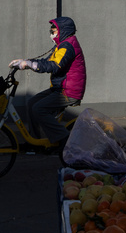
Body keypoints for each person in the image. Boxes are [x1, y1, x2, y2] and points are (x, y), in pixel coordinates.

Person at [9, 16, 87, 151]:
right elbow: (46, 61)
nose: (51, 33)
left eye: (54, 30)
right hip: (59, 88)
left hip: (69, 91)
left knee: (38, 108)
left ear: (63, 30)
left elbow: (54, 66)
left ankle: (63, 139)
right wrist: (26, 62)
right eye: (51, 31)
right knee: (32, 103)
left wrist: (29, 64)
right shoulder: (61, 45)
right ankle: (35, 142)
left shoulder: (68, 46)